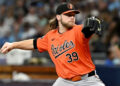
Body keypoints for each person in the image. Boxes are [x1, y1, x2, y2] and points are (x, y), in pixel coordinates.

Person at [0, 2, 105, 86]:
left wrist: (94, 23)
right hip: (64, 82)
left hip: (88, 81)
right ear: (58, 17)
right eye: (68, 15)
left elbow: (87, 30)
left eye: (73, 15)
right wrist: (13, 45)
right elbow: (34, 43)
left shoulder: (78, 30)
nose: (72, 17)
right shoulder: (50, 36)